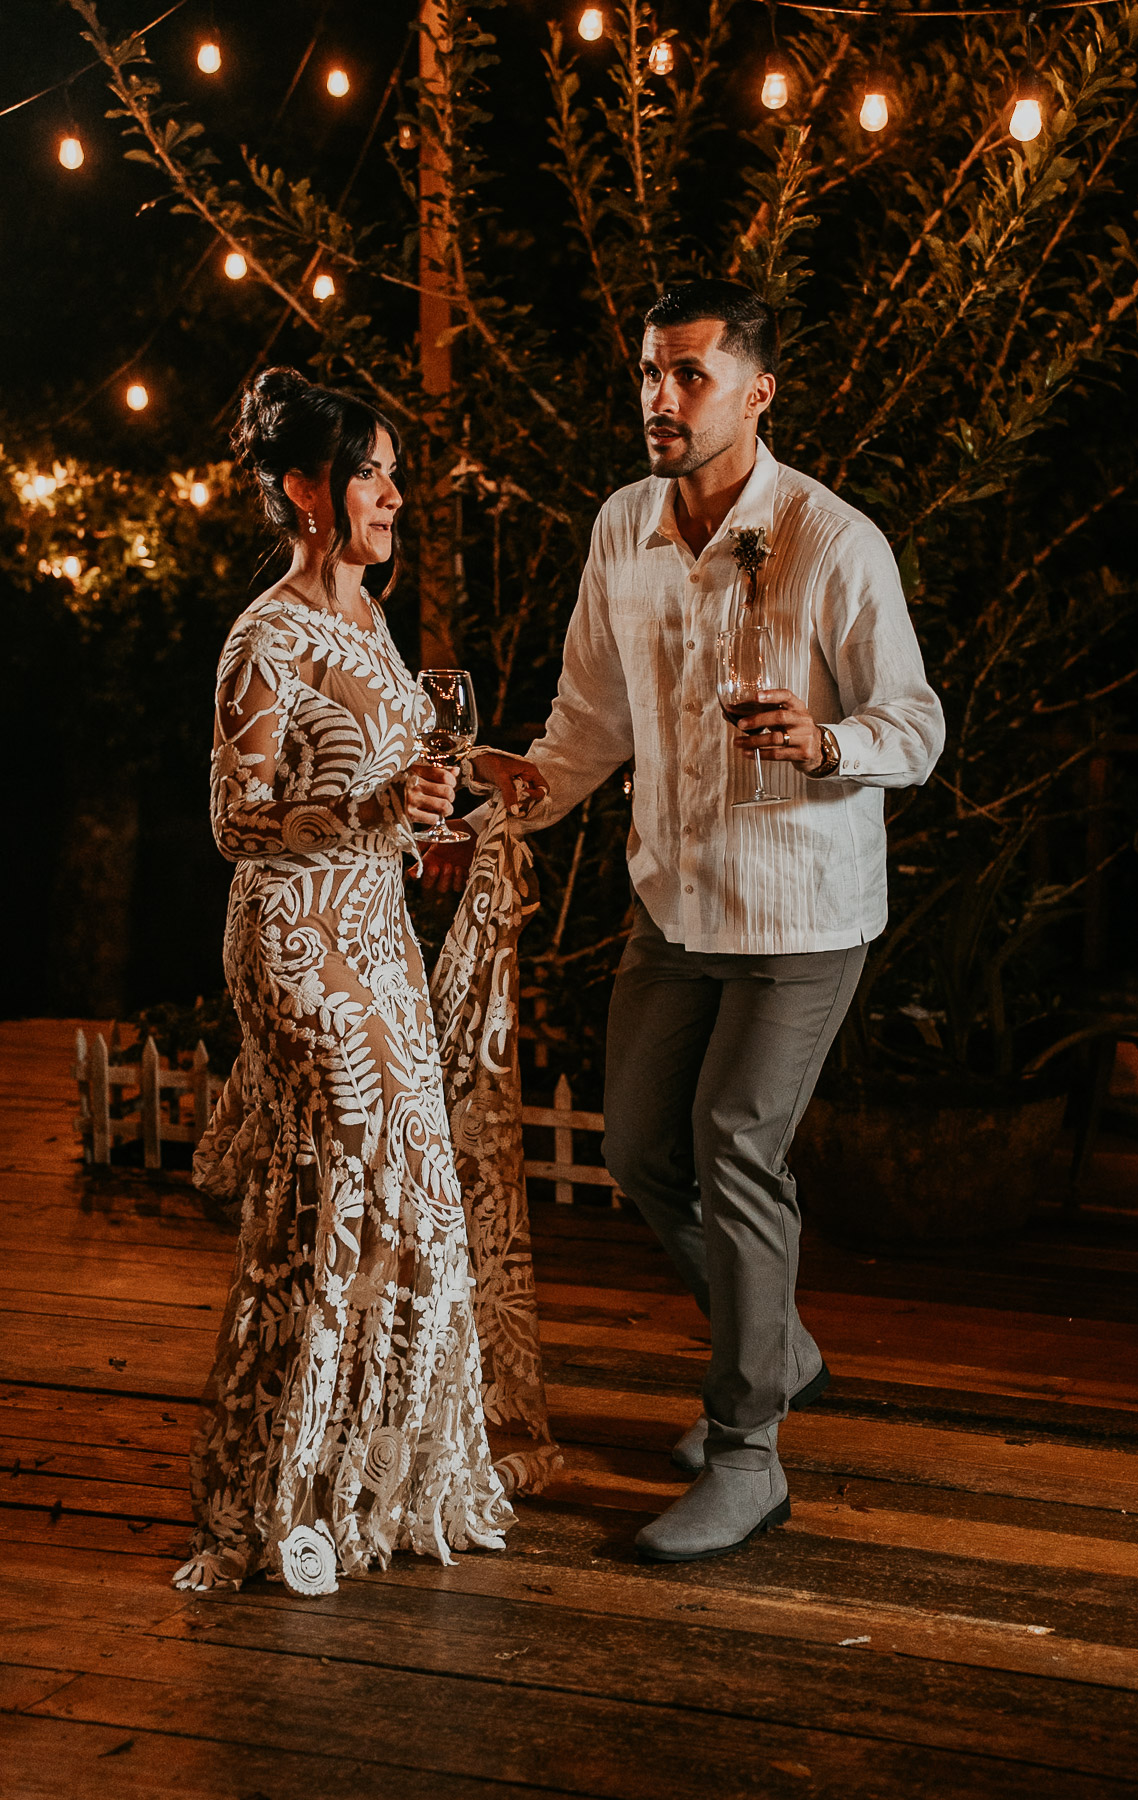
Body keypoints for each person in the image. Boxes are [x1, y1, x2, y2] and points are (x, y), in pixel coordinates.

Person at [456, 280, 945, 1563]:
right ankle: (777, 1342)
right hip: (671, 901)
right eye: (648, 373)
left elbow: (916, 725)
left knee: (733, 1144)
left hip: (801, 907)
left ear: (757, 392)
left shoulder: (833, 541)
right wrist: (503, 802)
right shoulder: (623, 526)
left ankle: (747, 1453)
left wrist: (826, 741)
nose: (659, 398)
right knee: (637, 1152)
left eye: (688, 375)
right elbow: (588, 720)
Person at [175, 366, 542, 1595]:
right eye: (370, 474)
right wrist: (372, 813)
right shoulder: (265, 637)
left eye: (392, 475)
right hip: (296, 943)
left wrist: (474, 767)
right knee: (337, 1194)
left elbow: (396, 758)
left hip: (378, 931)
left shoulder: (371, 619)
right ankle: (280, 1498)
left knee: (416, 1198)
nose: (392, 495)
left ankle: (375, 1482)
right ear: (304, 489)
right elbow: (235, 821)